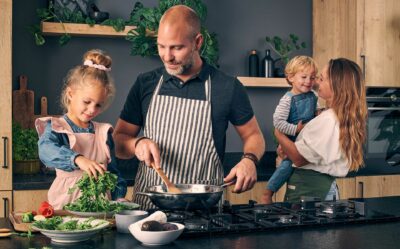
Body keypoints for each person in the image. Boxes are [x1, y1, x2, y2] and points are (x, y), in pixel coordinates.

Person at [113, 5, 265, 210]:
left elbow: (253, 135)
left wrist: (249, 160)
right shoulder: (145, 83)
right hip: (148, 212)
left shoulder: (227, 87)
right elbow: (119, 142)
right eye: (161, 46)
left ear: (197, 42)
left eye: (176, 47)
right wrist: (137, 143)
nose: (167, 56)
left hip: (205, 211)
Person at [35, 49, 127, 209]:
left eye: (98, 104)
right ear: (70, 94)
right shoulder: (57, 126)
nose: (92, 110)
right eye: (87, 102)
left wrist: (119, 198)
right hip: (65, 207)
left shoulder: (103, 133)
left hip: (100, 209)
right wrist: (78, 159)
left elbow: (113, 173)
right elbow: (46, 150)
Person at [268, 58, 367, 202]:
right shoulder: (331, 115)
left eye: (321, 78)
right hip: (316, 190)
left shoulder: (328, 119)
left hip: (311, 191)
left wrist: (279, 134)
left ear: (336, 85)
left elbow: (299, 158)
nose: (315, 82)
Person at [260, 56, 318, 204]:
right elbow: (278, 122)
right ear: (291, 77)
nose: (308, 81)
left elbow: (314, 113)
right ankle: (268, 192)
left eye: (312, 77)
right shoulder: (287, 99)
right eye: (304, 77)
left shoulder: (314, 96)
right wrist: (295, 129)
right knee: (286, 166)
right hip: (292, 140)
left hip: (306, 140)